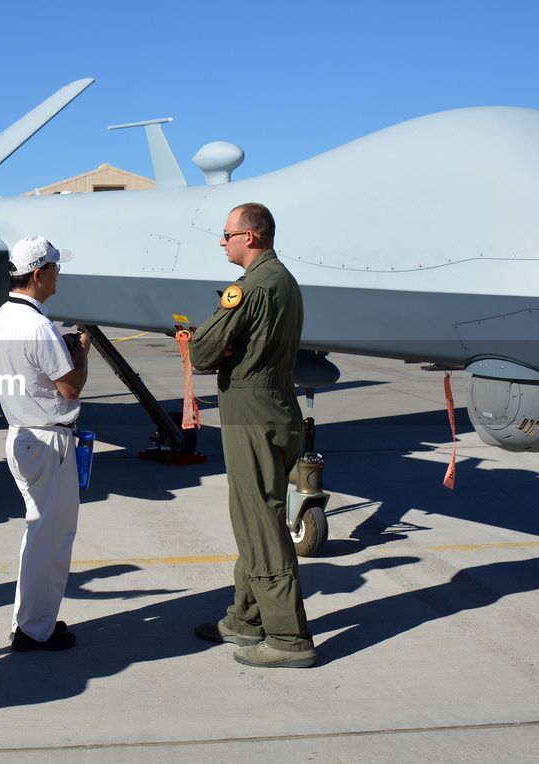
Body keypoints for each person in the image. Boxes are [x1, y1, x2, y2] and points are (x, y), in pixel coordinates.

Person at [189, 203, 316, 668]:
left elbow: (202, 352)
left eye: (227, 234)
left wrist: (202, 339)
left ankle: (287, 637)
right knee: (255, 515)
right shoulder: (284, 280)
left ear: (252, 237)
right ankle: (247, 618)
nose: (222, 241)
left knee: (260, 521)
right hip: (277, 408)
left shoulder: (250, 287)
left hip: (252, 414)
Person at [0, 236, 90, 652]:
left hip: (23, 435)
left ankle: (29, 621)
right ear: (39, 274)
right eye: (54, 268)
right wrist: (81, 351)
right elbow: (70, 387)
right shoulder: (38, 325)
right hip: (48, 440)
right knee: (52, 539)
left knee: (39, 534)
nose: (58, 274)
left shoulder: (1, 318)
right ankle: (34, 630)